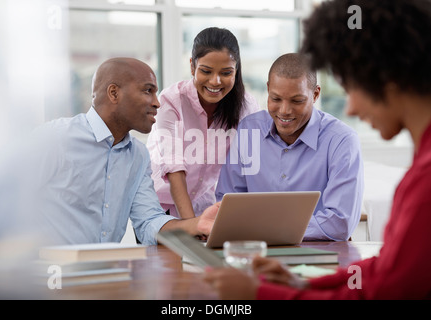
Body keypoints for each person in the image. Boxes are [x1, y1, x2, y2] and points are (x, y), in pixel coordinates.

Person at [204, 0, 431, 299]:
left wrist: (261, 293)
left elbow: (384, 292)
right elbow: (386, 271)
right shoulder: (421, 169)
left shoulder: (424, 181)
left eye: (353, 87)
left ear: (388, 79)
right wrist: (303, 284)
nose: (350, 106)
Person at [31, 57, 218, 245]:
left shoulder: (138, 155)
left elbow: (149, 222)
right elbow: (7, 205)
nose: (157, 103)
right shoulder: (55, 139)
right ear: (114, 93)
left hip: (109, 271)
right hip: (52, 272)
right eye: (148, 91)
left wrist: (198, 224)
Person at [215, 52, 364, 241]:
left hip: (317, 255)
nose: (284, 111)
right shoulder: (248, 129)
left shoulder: (342, 141)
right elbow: (227, 201)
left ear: (316, 94)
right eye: (276, 99)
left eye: (297, 101)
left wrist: (263, 229)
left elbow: (340, 222)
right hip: (255, 253)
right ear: (268, 89)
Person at [146, 27, 260, 219]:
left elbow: (250, 168)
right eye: (206, 71)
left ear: (236, 70)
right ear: (192, 67)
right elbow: (174, 169)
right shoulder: (172, 101)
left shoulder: (246, 107)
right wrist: (191, 225)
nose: (215, 81)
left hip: (203, 206)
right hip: (158, 208)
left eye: (226, 73)